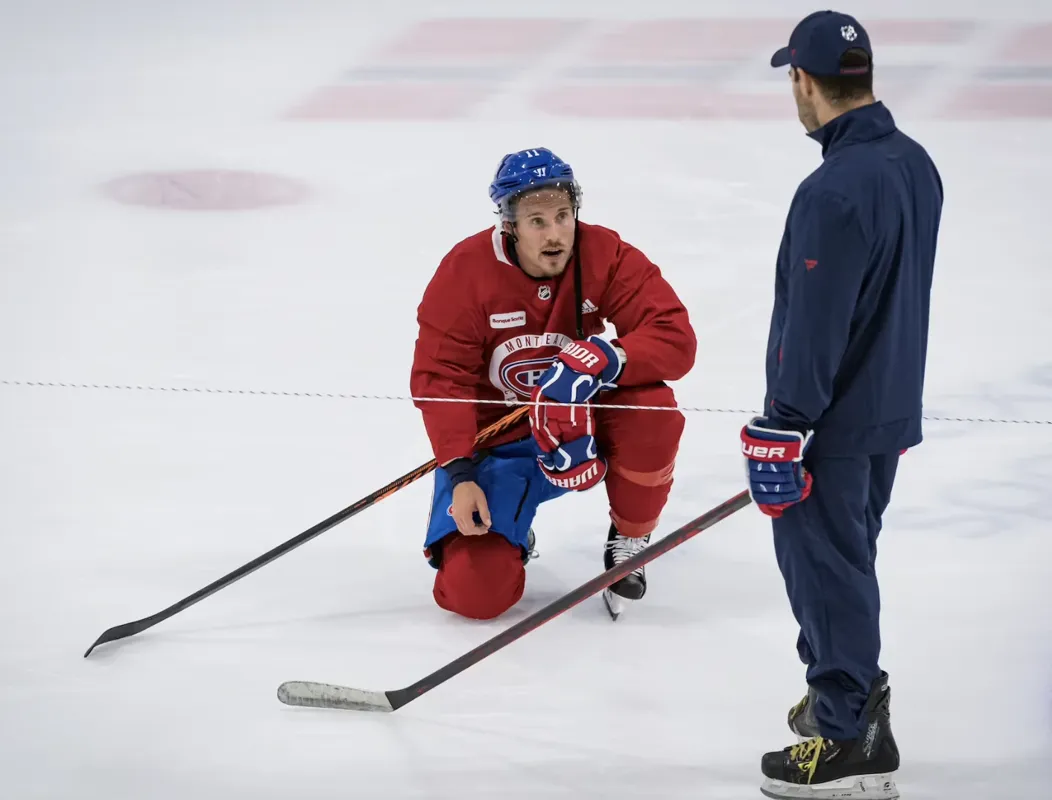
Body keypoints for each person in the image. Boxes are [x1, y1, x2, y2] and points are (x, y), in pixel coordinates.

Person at [738, 11, 943, 800]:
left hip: (830, 421)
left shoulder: (830, 191)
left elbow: (818, 321)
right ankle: (853, 692)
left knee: (826, 569)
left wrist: (784, 423)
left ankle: (847, 729)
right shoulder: (914, 164)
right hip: (884, 410)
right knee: (848, 562)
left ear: (804, 81)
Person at [410, 147, 696, 622]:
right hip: (498, 443)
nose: (555, 233)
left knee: (650, 411)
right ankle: (511, 531)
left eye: (563, 215)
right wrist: (459, 474)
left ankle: (629, 536)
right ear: (510, 226)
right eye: (537, 221)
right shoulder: (465, 271)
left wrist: (607, 357)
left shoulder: (602, 252)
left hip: (581, 419)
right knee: (474, 595)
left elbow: (674, 336)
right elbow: (442, 380)